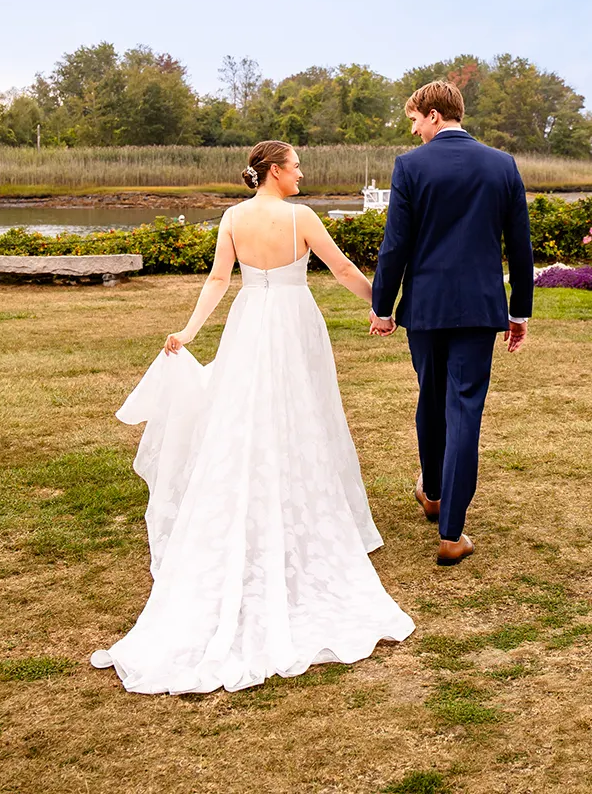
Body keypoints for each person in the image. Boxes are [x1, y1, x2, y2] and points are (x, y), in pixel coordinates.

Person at [89, 140, 412, 695]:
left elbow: (219, 280)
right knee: (300, 409)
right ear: (274, 171)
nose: (301, 173)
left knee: (246, 410)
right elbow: (339, 269)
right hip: (292, 318)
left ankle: (261, 489)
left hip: (249, 318)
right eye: (295, 165)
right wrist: (382, 309)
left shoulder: (233, 218)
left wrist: (190, 331)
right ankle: (294, 498)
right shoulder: (300, 217)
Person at [369, 80, 534, 566]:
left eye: (416, 120)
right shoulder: (502, 165)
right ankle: (450, 528)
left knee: (431, 395)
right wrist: (518, 311)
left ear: (436, 115)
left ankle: (437, 492)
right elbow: (520, 247)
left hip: (425, 308)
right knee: (464, 406)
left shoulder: (410, 166)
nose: (415, 129)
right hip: (480, 309)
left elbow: (395, 244)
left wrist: (383, 306)